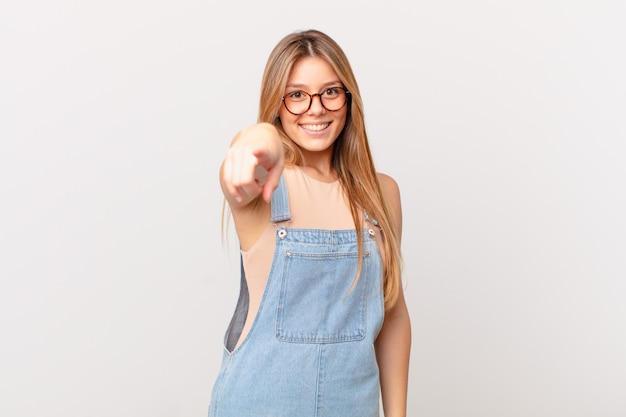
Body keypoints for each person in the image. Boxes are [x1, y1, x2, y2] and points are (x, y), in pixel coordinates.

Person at [209, 29, 411, 417]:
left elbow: (394, 316)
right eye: (297, 95)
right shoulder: (264, 185)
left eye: (330, 92)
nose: (315, 108)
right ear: (278, 105)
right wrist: (256, 138)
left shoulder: (382, 195)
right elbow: (250, 152)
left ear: (348, 100)